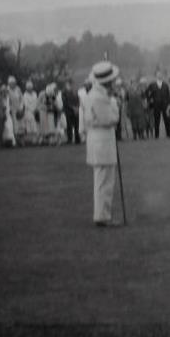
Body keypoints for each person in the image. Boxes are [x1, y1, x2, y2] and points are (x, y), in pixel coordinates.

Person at [85, 61, 123, 227]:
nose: (114, 83)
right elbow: (110, 119)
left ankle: (102, 215)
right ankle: (102, 216)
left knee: (102, 180)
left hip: (99, 140)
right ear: (106, 81)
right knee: (104, 182)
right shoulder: (100, 97)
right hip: (102, 140)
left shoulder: (94, 94)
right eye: (112, 80)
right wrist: (115, 104)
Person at [145, 70, 170, 139]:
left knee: (167, 120)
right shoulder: (152, 85)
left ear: (162, 76)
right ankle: (156, 136)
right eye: (158, 74)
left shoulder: (165, 85)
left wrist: (169, 105)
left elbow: (168, 96)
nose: (159, 75)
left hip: (165, 105)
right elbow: (146, 93)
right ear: (156, 76)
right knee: (156, 120)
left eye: (160, 74)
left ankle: (169, 135)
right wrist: (150, 100)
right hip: (156, 105)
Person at [62, 79, 81, 144]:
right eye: (69, 83)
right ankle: (69, 139)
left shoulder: (75, 91)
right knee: (69, 125)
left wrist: (77, 107)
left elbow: (78, 99)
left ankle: (77, 139)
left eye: (71, 83)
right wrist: (73, 108)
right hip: (68, 111)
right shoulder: (64, 92)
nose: (71, 85)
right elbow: (65, 102)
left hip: (75, 110)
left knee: (76, 125)